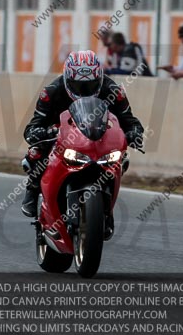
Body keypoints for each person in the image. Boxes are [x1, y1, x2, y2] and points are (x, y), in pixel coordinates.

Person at [21, 50, 145, 236]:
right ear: (67, 78)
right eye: (79, 86)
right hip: (61, 137)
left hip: (98, 136)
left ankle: (106, 210)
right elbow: (33, 125)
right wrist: (38, 132)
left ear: (99, 78)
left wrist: (135, 133)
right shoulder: (51, 92)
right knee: (35, 153)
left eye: (90, 85)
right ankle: (32, 191)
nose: (85, 91)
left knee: (122, 158)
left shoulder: (114, 91)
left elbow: (129, 120)